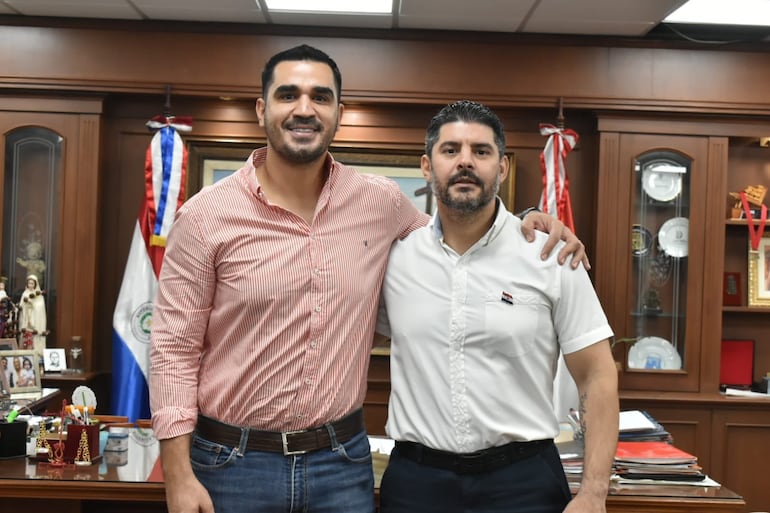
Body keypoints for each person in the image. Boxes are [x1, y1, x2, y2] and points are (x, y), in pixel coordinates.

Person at [149, 45, 588, 513]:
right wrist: (177, 474)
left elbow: (460, 238)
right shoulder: (203, 216)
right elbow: (173, 348)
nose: (304, 109)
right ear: (262, 109)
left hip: (340, 465)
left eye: (320, 97)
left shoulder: (379, 203)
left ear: (339, 111)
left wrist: (528, 221)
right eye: (288, 95)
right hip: (232, 465)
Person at [376, 100, 619, 513]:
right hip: (418, 483)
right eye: (450, 150)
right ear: (426, 165)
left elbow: (597, 374)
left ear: (502, 168)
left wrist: (594, 493)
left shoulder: (551, 255)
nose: (465, 162)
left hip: (523, 481)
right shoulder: (394, 260)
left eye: (481, 151)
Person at [18, 274, 47, 356]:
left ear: (35, 284)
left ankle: (37, 352)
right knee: (26, 334)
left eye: (32, 283)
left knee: (34, 335)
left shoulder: (39, 295)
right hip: (26, 317)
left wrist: (32, 303)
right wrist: (23, 306)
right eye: (29, 283)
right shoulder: (25, 293)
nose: (30, 285)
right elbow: (21, 305)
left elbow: (40, 307)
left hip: (35, 318)